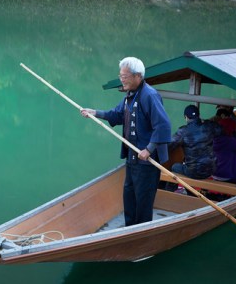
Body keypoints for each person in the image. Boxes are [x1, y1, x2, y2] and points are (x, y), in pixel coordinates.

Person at [81, 56, 172, 227]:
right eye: (121, 76)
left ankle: (142, 234)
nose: (122, 80)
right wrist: (95, 113)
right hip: (132, 157)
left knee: (143, 201)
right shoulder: (130, 95)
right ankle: (129, 230)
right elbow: (117, 114)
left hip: (147, 161)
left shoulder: (150, 95)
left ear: (138, 76)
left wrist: (149, 149)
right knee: (129, 196)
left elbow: (163, 126)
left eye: (125, 76)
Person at [169, 104, 217, 180]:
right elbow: (220, 130)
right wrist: (207, 121)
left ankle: (169, 191)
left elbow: (169, 145)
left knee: (175, 167)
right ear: (199, 115)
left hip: (194, 171)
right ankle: (189, 191)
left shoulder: (183, 131)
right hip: (210, 170)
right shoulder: (209, 126)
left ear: (186, 117)